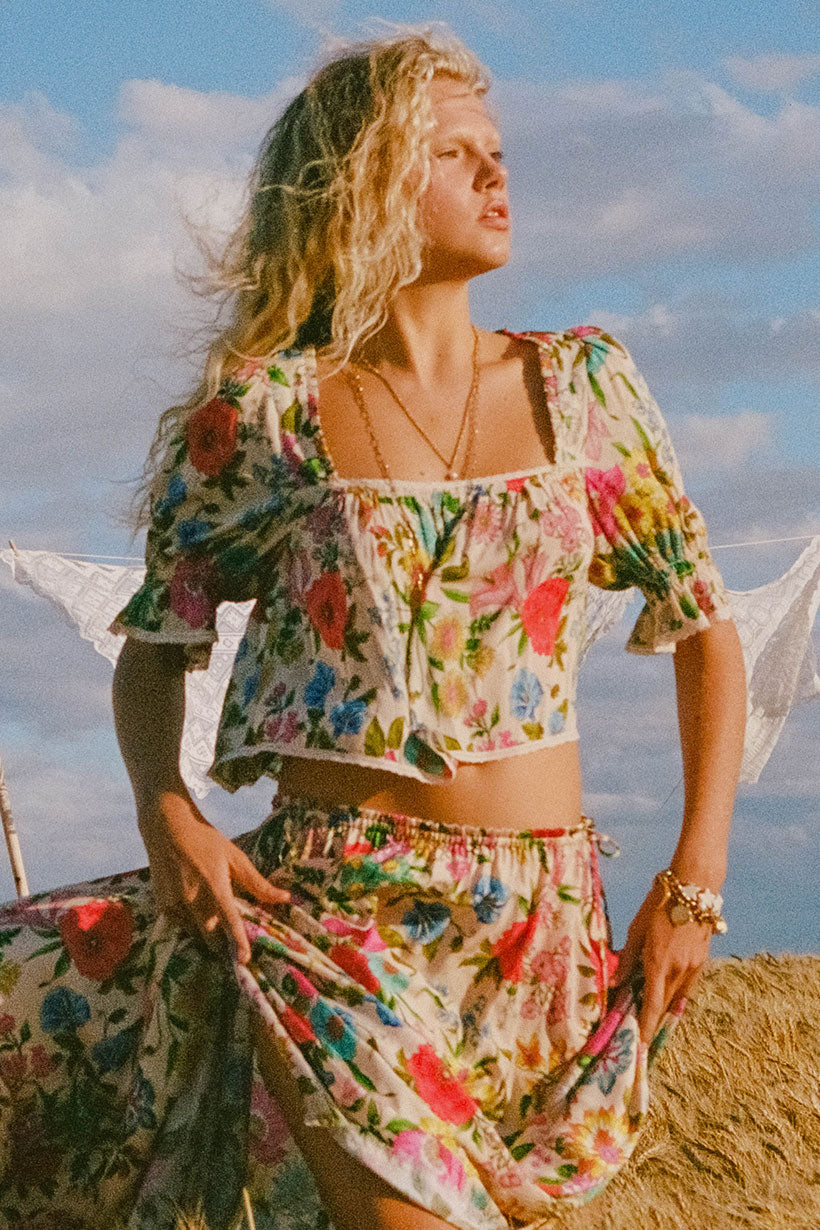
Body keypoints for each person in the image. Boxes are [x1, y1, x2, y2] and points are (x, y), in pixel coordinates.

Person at [0, 25, 747, 1230]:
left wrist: (693, 883)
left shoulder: (586, 389)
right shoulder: (262, 416)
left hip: (542, 926)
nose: (495, 172)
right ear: (361, 185)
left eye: (495, 148)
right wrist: (167, 812)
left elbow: (704, 627)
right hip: (335, 909)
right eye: (451, 153)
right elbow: (156, 651)